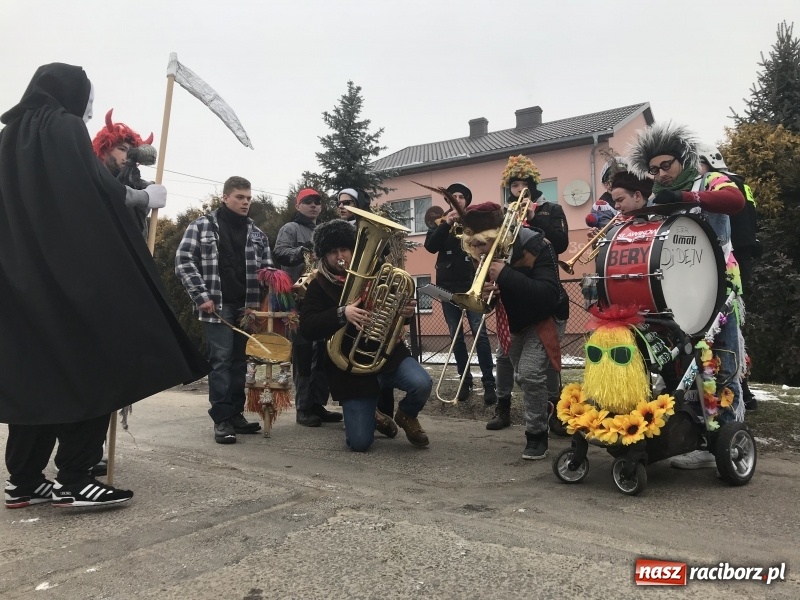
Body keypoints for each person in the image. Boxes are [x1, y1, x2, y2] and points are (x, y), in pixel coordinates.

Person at [1, 63, 209, 508]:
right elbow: (88, 188)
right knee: (95, 365)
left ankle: (24, 479)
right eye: (88, 97)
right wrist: (139, 197)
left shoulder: (11, 136)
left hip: (21, 278)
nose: (90, 108)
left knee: (41, 377)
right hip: (69, 276)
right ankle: (76, 478)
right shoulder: (63, 126)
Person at [628, 122, 747, 469]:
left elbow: (735, 201)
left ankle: (727, 439)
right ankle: (697, 437)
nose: (661, 174)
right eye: (654, 170)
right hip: (677, 296)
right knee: (683, 369)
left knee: (721, 366)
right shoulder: (657, 197)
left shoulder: (709, 180)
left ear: (683, 160)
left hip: (720, 291)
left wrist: (686, 197)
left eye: (666, 165)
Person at [299, 220, 432, 451]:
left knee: (422, 383)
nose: (340, 256)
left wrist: (405, 313)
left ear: (353, 250)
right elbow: (308, 327)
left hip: (388, 355)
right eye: (332, 252)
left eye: (344, 249)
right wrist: (342, 313)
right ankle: (373, 414)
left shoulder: (378, 274)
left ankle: (407, 415)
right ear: (324, 256)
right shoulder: (318, 284)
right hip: (350, 367)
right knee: (360, 444)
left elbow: (396, 312)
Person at [461, 203, 565, 459]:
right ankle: (551, 408)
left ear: (496, 238)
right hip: (516, 320)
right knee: (522, 375)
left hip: (546, 316)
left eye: (481, 244)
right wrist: (489, 297)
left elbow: (549, 294)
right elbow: (490, 302)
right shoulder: (482, 253)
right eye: (472, 244)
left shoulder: (538, 245)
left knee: (529, 374)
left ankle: (537, 435)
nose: (477, 251)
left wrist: (505, 274)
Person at [175, 176, 273, 444]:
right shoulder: (201, 227)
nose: (246, 202)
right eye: (240, 197)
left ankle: (235, 414)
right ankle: (221, 420)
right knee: (221, 360)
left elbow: (267, 267)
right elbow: (183, 261)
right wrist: (200, 295)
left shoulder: (257, 234)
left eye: (249, 198)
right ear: (225, 198)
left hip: (247, 308)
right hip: (216, 306)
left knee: (240, 362)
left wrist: (275, 279)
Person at [488, 155, 569, 437]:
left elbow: (560, 244)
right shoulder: (503, 214)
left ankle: (555, 412)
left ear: (533, 185)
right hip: (514, 298)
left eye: (524, 183)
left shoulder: (552, 209)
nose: (519, 188)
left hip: (543, 285)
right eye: (514, 184)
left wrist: (536, 220)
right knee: (508, 358)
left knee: (542, 364)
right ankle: (504, 406)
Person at [697, 145, 759, 412]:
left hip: (728, 263)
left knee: (727, 332)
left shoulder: (718, 184)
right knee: (728, 332)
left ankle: (738, 394)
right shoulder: (740, 182)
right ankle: (740, 391)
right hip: (741, 257)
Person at [424, 183, 496, 404]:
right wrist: (445, 224)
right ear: (448, 201)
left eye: (461, 196)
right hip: (448, 287)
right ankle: (464, 382)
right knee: (456, 338)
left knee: (480, 337)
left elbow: (487, 246)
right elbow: (430, 246)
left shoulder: (474, 221)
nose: (457, 199)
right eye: (453, 196)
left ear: (466, 200)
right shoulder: (439, 223)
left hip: (471, 283)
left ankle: (488, 383)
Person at [274, 188, 337, 427]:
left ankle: (318, 405)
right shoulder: (290, 229)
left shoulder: (322, 232)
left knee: (322, 353)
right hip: (298, 301)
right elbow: (279, 252)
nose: (313, 205)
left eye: (317, 202)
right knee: (304, 354)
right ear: (298, 206)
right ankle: (303, 408)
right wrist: (302, 252)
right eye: (308, 202)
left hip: (321, 299)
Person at [92, 109, 166, 238]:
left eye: (132, 152)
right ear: (104, 151)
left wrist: (149, 189)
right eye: (122, 149)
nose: (128, 156)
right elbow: (110, 192)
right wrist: (145, 196)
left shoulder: (135, 185)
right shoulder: (90, 176)